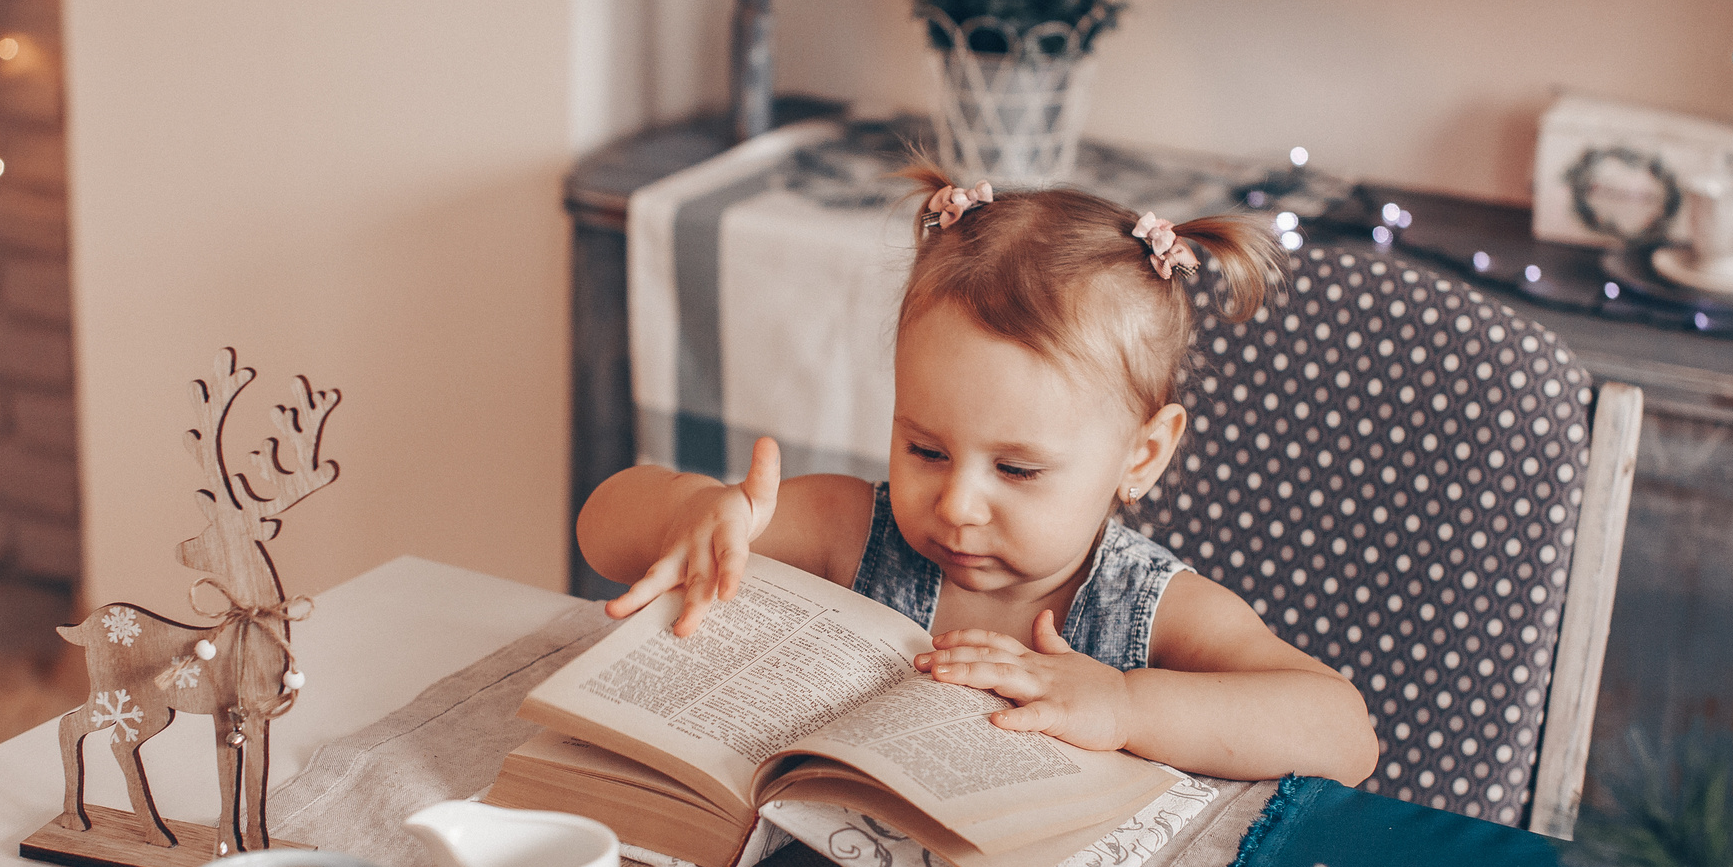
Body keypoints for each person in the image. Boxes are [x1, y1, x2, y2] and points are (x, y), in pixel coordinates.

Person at [576, 165, 1380, 787]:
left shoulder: (1146, 607)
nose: (956, 504)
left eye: (1018, 468)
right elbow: (602, 529)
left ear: (1142, 455)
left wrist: (1127, 703)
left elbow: (1345, 734)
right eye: (926, 449)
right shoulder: (852, 530)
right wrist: (692, 513)